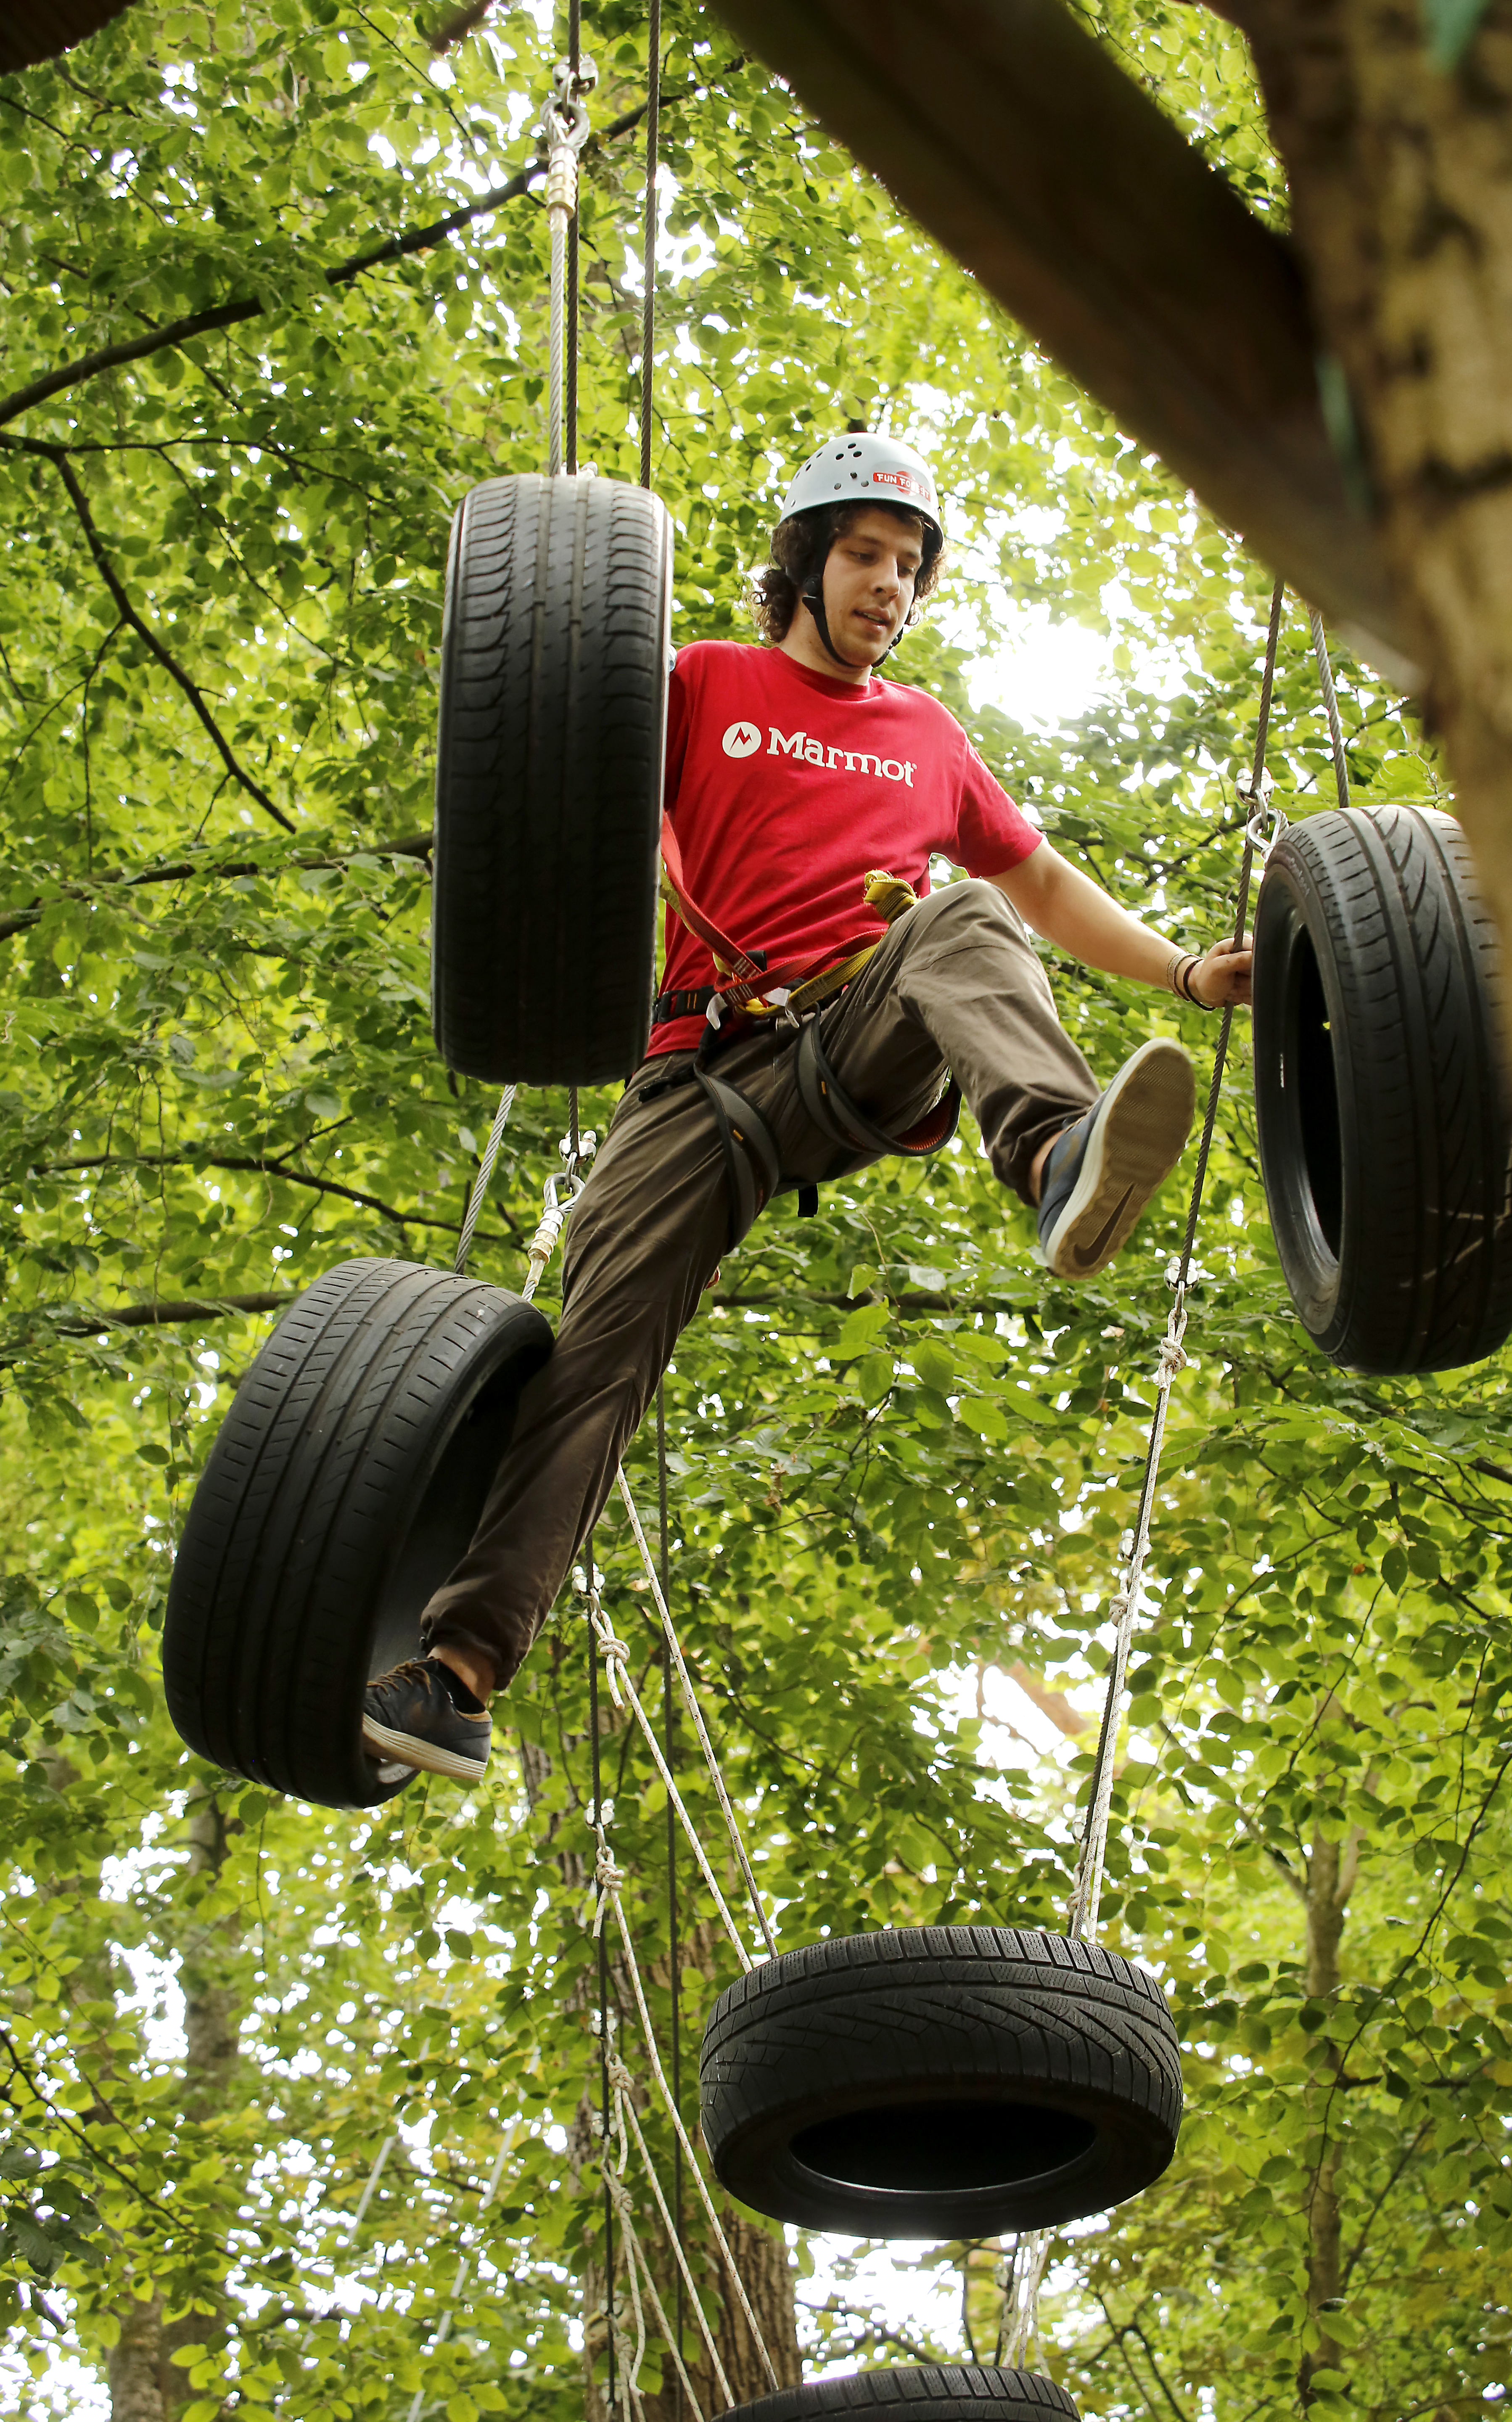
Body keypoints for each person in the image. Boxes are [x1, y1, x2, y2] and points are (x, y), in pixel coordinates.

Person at [360, 431, 1251, 1787]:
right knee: (592, 1355)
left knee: (963, 915)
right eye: (864, 556)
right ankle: (460, 1674)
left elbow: (1048, 891)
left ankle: (1055, 1152)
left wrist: (1185, 970)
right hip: (698, 1071)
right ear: (806, 564)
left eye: (909, 568)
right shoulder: (705, 683)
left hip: (861, 1041)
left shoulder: (928, 737)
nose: (889, 587)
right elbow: (555, 761)